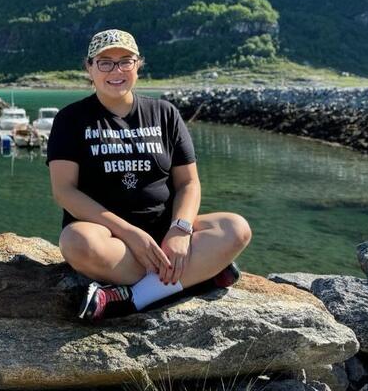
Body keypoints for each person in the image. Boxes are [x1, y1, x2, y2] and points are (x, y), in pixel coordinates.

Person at [47, 29, 252, 322]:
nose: (116, 70)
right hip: (110, 237)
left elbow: (189, 183)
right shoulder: (70, 119)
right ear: (89, 68)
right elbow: (64, 191)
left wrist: (180, 230)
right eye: (105, 62)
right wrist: (130, 233)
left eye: (125, 61)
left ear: (138, 65)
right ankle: (198, 275)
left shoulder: (165, 113)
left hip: (166, 231)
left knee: (236, 228)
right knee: (76, 242)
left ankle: (133, 299)